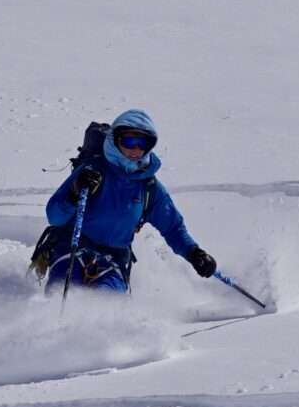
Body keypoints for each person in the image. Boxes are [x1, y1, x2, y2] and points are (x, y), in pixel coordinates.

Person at [41, 109, 217, 293]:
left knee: (107, 307)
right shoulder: (92, 171)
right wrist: (74, 194)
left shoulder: (149, 188)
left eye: (143, 143)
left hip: (113, 261)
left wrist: (194, 253)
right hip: (71, 250)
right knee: (60, 292)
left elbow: (173, 227)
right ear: (115, 140)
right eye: (130, 141)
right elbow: (54, 217)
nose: (136, 149)